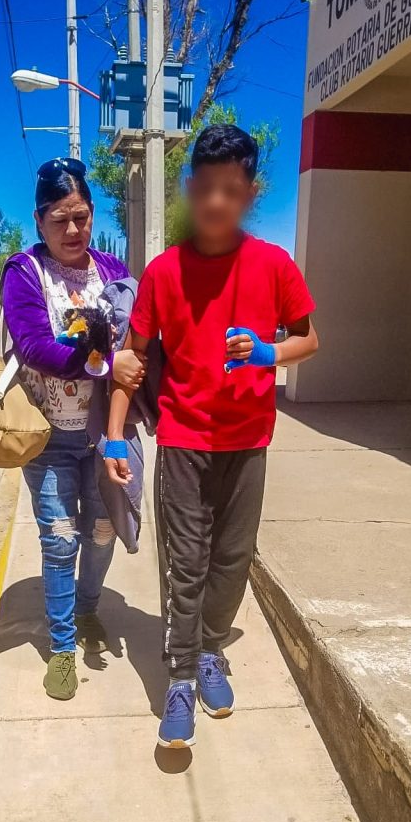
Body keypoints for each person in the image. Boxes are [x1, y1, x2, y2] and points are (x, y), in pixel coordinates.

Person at [104, 124, 319, 748]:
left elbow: (309, 339)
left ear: (249, 193)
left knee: (232, 560)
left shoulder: (273, 265)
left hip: (249, 442)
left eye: (232, 189)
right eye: (206, 187)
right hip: (184, 441)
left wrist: (268, 353)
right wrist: (114, 439)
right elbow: (131, 361)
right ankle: (178, 676)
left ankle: (209, 651)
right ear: (190, 188)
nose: (217, 201)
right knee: (187, 563)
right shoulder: (164, 272)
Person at [3, 157, 145, 701]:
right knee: (61, 540)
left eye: (81, 217)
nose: (72, 230)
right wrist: (106, 366)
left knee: (103, 531)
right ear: (39, 220)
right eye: (59, 219)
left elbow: (137, 338)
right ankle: (62, 646)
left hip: (104, 433)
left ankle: (87, 611)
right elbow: (34, 347)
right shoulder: (24, 272)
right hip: (48, 438)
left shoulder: (111, 269)